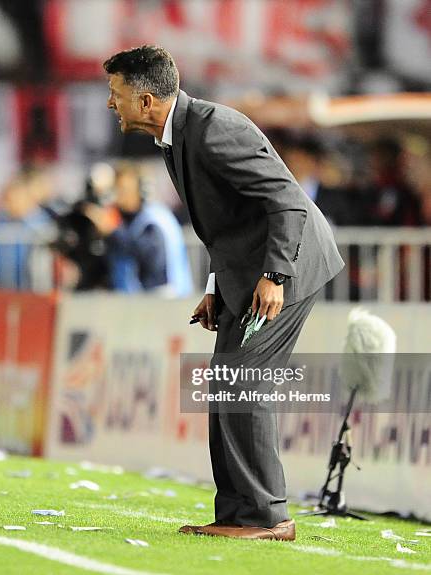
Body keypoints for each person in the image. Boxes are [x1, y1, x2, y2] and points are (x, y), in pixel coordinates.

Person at [104, 45, 344, 541]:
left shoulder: (214, 129)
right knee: (227, 384)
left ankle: (267, 517)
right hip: (251, 269)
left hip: (289, 265)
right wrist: (216, 286)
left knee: (244, 383)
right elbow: (225, 223)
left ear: (147, 100)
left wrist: (275, 277)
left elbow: (286, 202)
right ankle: (238, 512)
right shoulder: (176, 137)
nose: (111, 103)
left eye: (116, 93)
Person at [84, 162, 193, 297]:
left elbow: (152, 262)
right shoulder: (127, 219)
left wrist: (112, 232)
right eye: (117, 189)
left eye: (125, 189)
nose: (119, 195)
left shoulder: (155, 219)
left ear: (141, 190)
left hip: (167, 297)